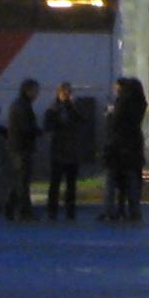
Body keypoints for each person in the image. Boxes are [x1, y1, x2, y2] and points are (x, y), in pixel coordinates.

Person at [104, 74, 148, 224]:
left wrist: (109, 115)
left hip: (118, 145)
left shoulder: (123, 102)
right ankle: (134, 211)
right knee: (133, 179)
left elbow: (115, 122)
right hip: (134, 144)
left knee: (112, 180)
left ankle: (110, 211)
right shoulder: (141, 103)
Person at [44, 84, 87, 224]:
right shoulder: (53, 109)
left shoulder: (73, 108)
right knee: (55, 183)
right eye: (65, 93)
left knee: (71, 184)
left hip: (71, 151)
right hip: (59, 150)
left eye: (69, 93)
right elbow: (48, 127)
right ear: (59, 93)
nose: (67, 95)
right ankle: (52, 210)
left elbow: (83, 120)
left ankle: (70, 210)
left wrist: (74, 107)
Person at [2, 81, 41, 222]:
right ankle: (25, 212)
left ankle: (9, 208)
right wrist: (37, 131)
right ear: (28, 90)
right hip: (21, 148)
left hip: (18, 147)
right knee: (22, 181)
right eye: (35, 91)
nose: (37, 94)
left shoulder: (20, 104)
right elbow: (25, 128)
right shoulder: (22, 106)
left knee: (19, 180)